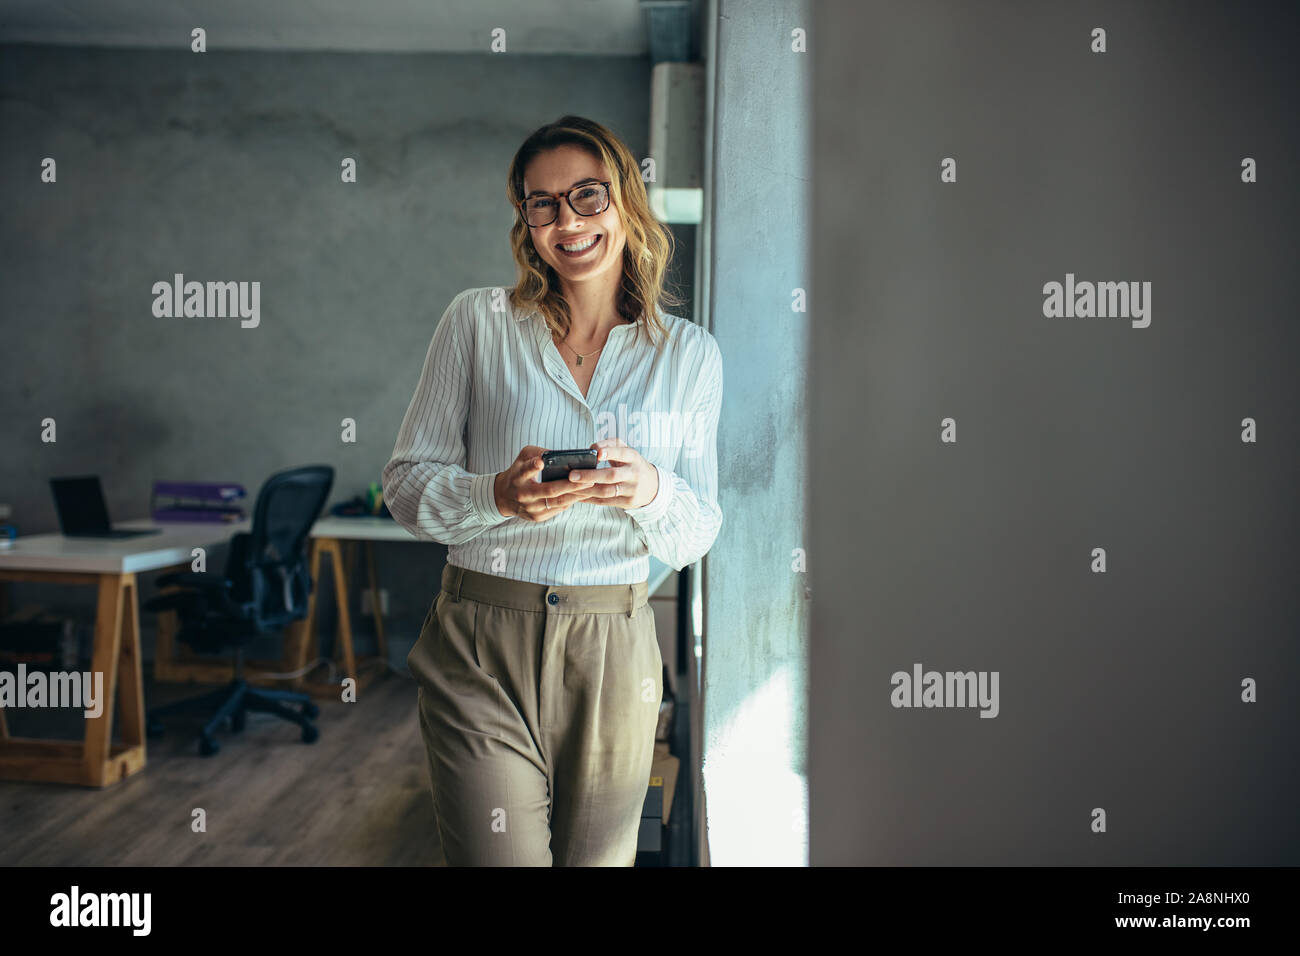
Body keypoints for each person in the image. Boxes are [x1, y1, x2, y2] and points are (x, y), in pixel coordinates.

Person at [381, 114, 723, 866]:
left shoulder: (690, 355)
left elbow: (698, 528)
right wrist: (497, 497)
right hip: (479, 644)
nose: (566, 220)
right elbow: (404, 487)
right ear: (526, 220)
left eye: (586, 196)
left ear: (627, 202)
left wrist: (650, 491)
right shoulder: (476, 322)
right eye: (542, 203)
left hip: (614, 650)